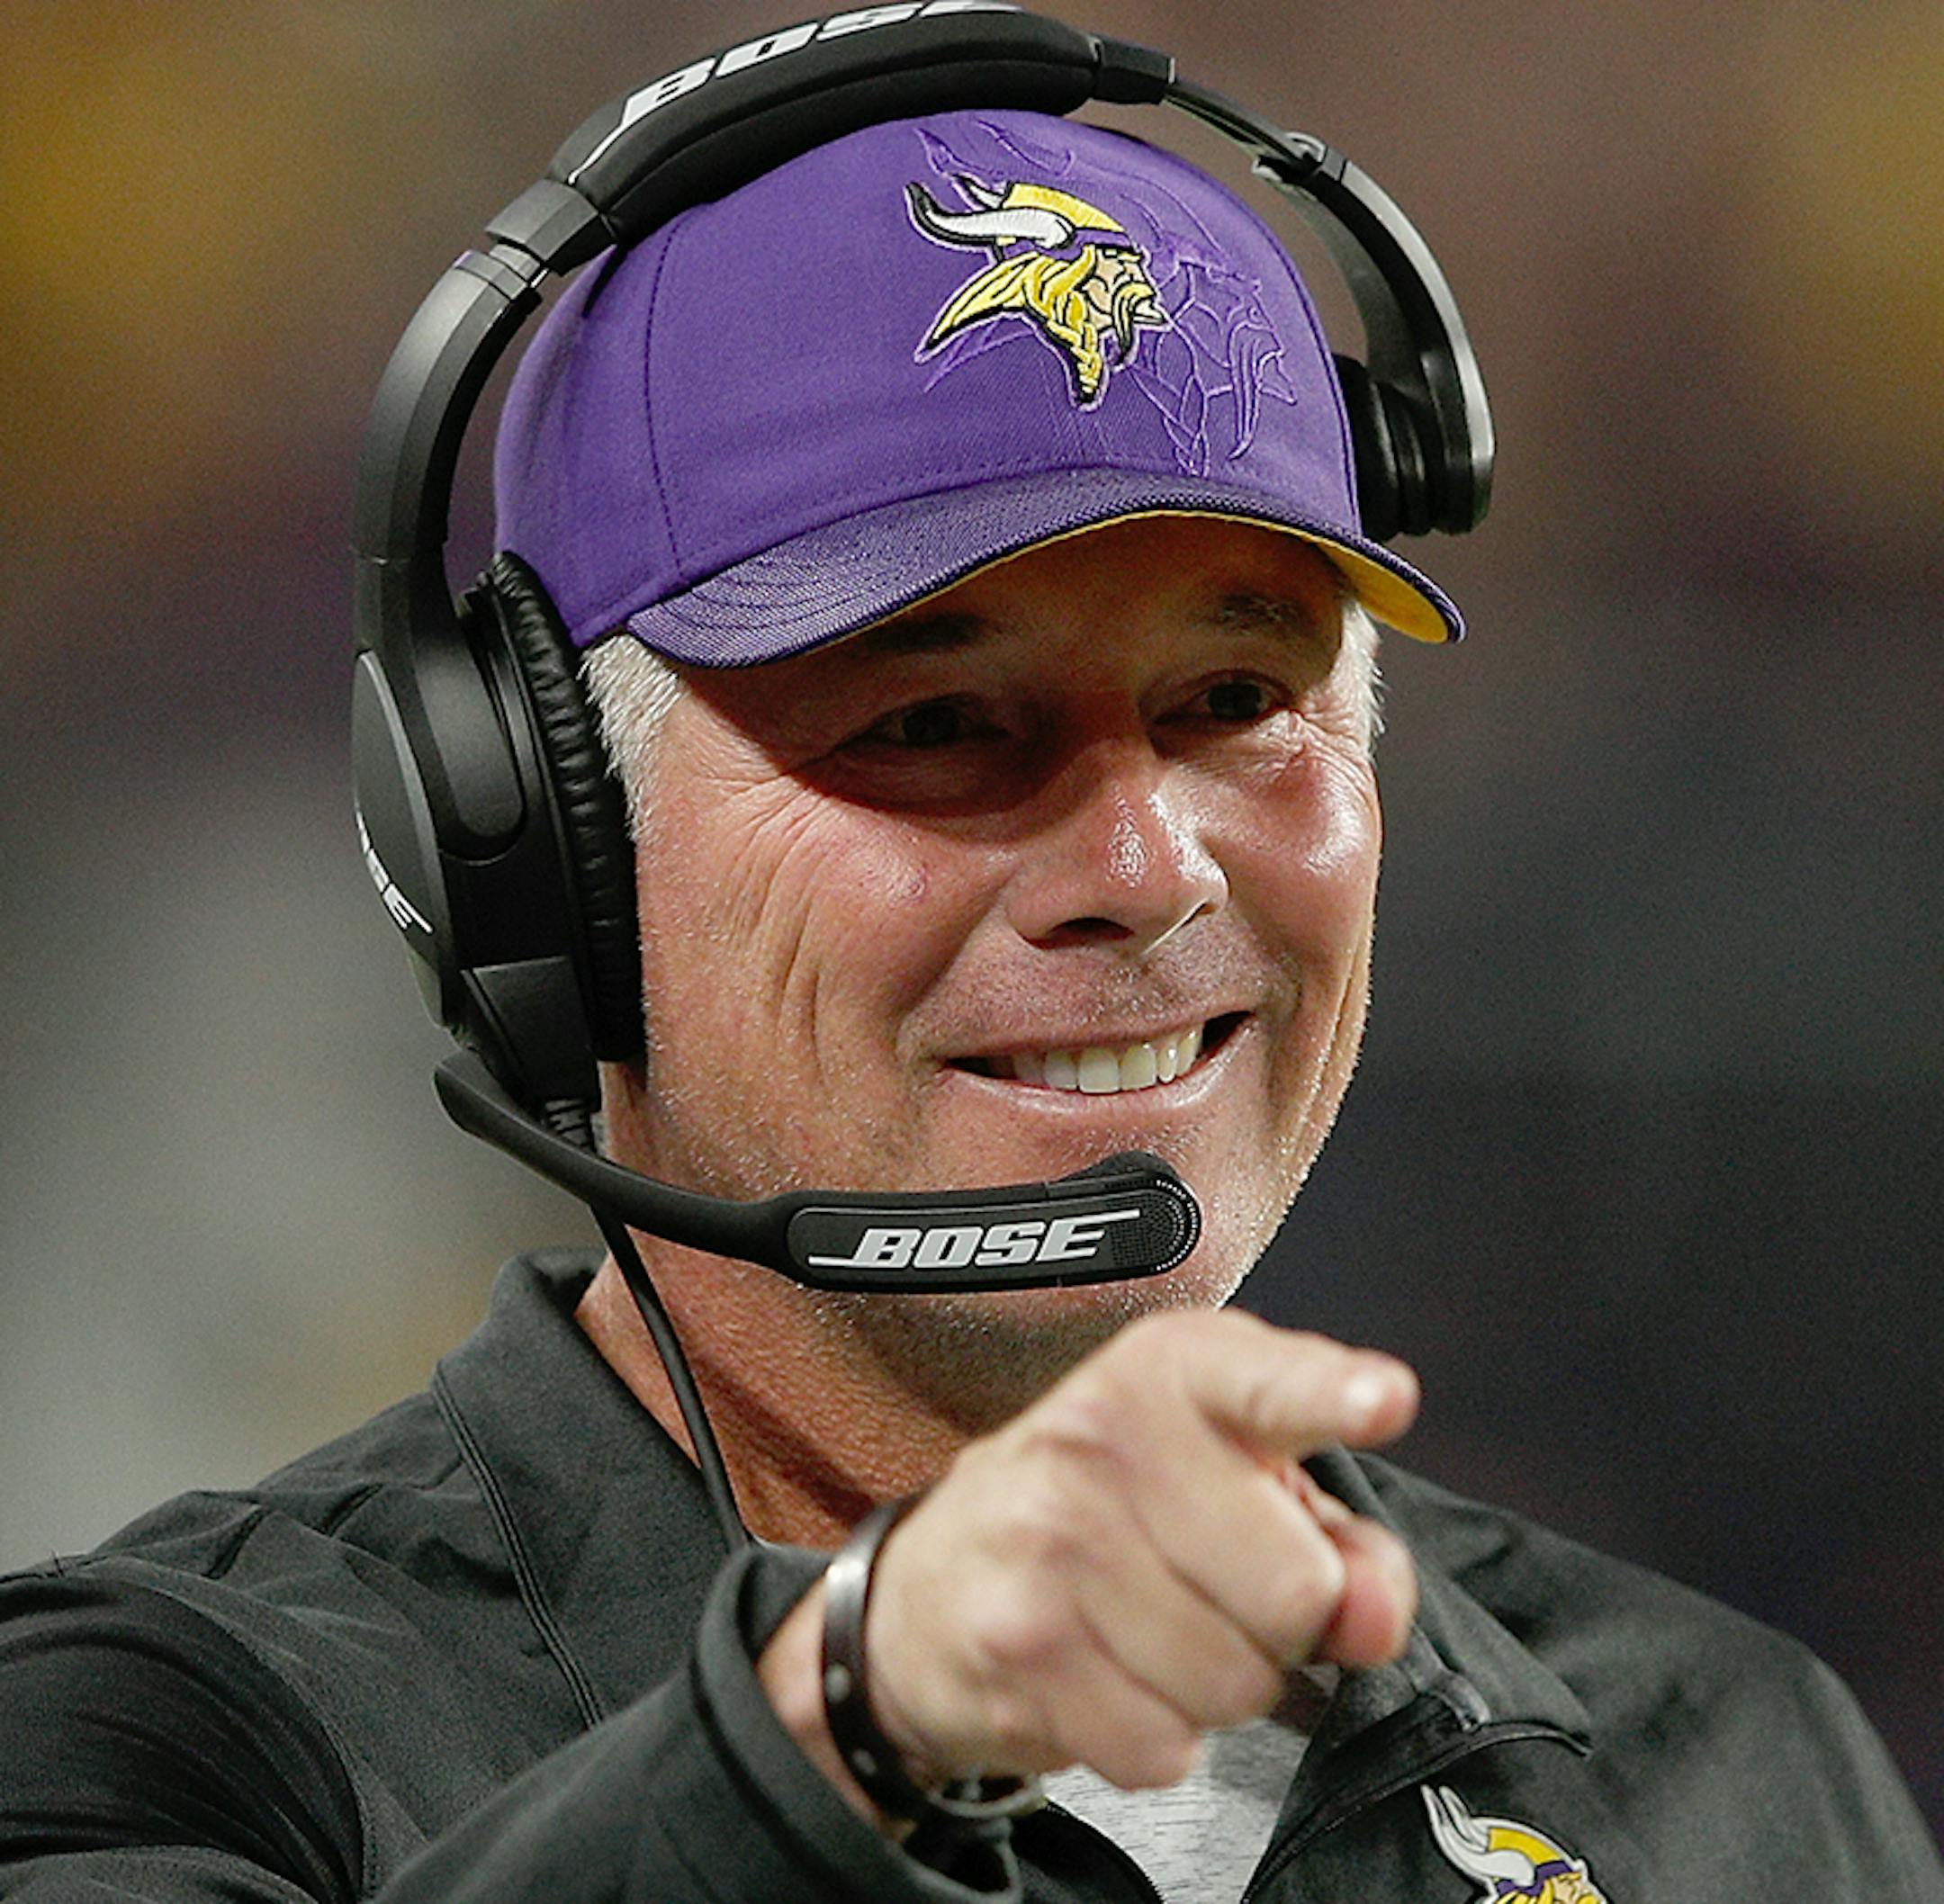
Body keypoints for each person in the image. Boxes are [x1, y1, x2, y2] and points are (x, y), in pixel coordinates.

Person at [2, 30, 1939, 1904]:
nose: (1145, 871)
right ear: (538, 841)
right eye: (932, 725)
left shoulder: (1727, 1775)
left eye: (1236, 697)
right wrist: (842, 1737)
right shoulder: (171, 1736)